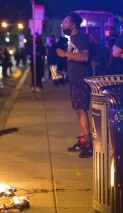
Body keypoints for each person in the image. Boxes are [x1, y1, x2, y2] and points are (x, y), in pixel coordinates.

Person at [56, 13, 93, 158]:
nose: (63, 24)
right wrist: (66, 72)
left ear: (73, 24)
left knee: (81, 109)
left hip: (82, 79)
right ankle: (82, 141)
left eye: (65, 21)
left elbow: (85, 57)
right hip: (74, 78)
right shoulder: (71, 39)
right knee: (78, 110)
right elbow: (75, 57)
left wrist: (65, 54)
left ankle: (88, 144)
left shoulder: (81, 38)